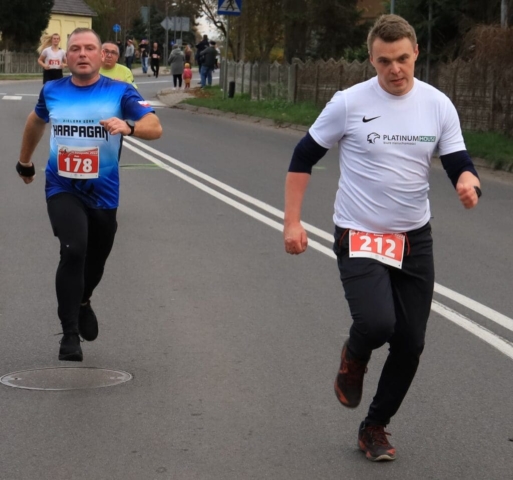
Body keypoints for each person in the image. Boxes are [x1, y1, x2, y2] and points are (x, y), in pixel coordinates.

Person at [283, 14, 481, 462]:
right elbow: (302, 157)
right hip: (360, 232)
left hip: (414, 238)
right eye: (385, 61)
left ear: (416, 54)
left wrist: (468, 182)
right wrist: (292, 222)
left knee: (410, 342)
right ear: (371, 60)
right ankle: (354, 356)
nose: (396, 69)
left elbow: (458, 161)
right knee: (376, 324)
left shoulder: (437, 104)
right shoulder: (349, 103)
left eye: (403, 59)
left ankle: (374, 426)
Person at [16, 28, 162, 362]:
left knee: (95, 260)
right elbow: (35, 122)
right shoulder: (52, 90)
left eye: (89, 48)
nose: (82, 54)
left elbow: (155, 126)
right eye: (75, 49)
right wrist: (24, 161)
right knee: (73, 249)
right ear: (66, 57)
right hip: (62, 186)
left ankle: (83, 300)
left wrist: (130, 127)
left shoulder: (121, 91)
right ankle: (69, 335)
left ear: (101, 56)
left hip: (103, 192)